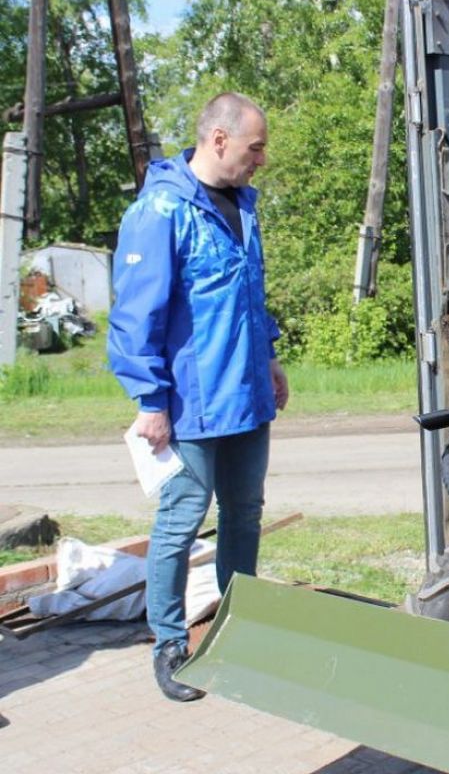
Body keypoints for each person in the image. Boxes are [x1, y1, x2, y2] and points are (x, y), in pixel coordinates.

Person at [108, 92, 287, 701]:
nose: (260, 159)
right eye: (254, 147)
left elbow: (249, 295)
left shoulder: (243, 205)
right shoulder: (161, 210)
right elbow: (136, 317)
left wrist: (269, 358)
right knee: (182, 520)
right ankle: (168, 644)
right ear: (218, 139)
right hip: (190, 406)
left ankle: (239, 629)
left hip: (246, 395)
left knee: (245, 514)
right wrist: (150, 401)